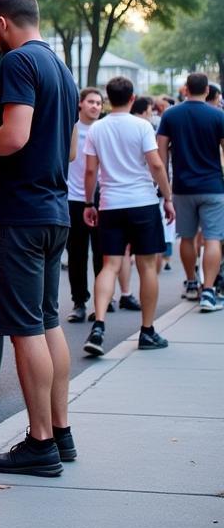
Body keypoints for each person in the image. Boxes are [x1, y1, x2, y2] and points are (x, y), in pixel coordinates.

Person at [0, 0, 77, 478]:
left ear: (3, 23)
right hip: (55, 211)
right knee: (49, 321)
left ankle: (39, 443)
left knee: (26, 329)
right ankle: (61, 432)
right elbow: (67, 150)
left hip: (22, 215)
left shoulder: (16, 63)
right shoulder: (62, 69)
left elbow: (16, 134)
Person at [81, 78, 175, 355]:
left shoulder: (97, 128)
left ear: (108, 99)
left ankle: (98, 325)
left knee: (109, 265)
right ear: (133, 98)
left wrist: (89, 202)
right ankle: (147, 331)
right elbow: (156, 163)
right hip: (143, 202)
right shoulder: (142, 126)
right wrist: (167, 197)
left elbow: (90, 171)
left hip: (110, 203)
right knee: (146, 266)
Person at [156, 72, 224, 312]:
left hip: (182, 186)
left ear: (185, 89)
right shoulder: (218, 115)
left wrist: (163, 182)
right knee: (213, 238)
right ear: (207, 91)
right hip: (213, 186)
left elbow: (161, 151)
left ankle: (192, 283)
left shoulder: (171, 115)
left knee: (186, 236)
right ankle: (209, 291)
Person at [65, 87, 105, 322]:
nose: (95, 107)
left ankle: (102, 300)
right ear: (80, 104)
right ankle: (79, 302)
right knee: (77, 254)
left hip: (102, 198)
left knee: (102, 253)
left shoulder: (104, 130)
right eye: (91, 102)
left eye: (99, 103)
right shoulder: (71, 128)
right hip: (73, 199)